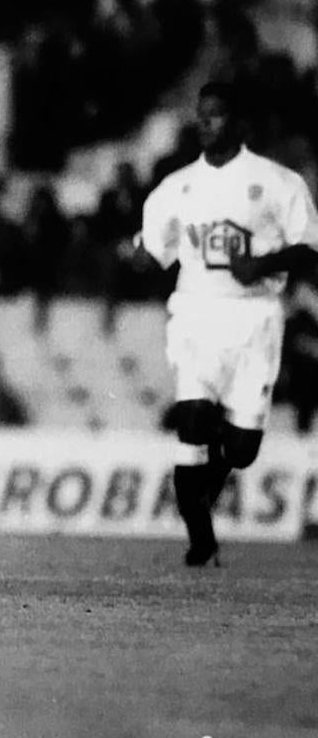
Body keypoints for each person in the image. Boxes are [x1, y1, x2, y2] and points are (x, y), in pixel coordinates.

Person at [139, 81, 318, 567]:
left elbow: (308, 247)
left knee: (240, 451)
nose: (205, 122)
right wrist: (135, 254)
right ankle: (200, 539)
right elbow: (152, 249)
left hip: (255, 318)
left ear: (240, 124)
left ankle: (204, 500)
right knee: (192, 421)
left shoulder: (279, 183)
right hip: (197, 313)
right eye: (201, 114)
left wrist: (260, 266)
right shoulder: (177, 186)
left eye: (215, 114)